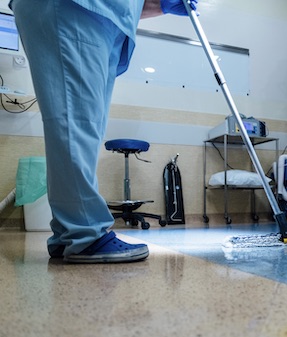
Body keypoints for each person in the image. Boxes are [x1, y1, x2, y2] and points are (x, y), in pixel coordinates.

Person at [9, 0, 197, 263]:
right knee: (77, 122)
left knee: (79, 125)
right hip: (75, 9)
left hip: (92, 16)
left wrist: (161, 5)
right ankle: (86, 235)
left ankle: (69, 234)